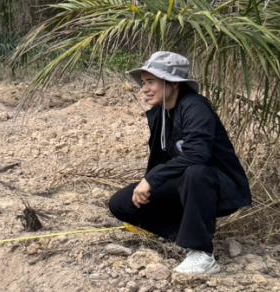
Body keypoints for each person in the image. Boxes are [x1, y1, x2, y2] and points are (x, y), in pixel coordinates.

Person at [108, 51, 251, 276]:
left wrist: (151, 179)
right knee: (121, 203)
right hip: (186, 184)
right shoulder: (160, 114)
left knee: (195, 171)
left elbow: (198, 154)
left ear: (172, 83)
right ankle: (184, 236)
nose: (144, 89)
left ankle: (202, 253)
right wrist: (149, 185)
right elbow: (163, 159)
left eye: (151, 82)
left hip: (218, 186)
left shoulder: (195, 107)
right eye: (144, 82)